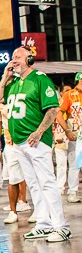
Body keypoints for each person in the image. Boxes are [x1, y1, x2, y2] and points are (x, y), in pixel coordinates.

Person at [0, 46, 70, 242]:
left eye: (18, 57)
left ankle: (61, 226)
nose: (13, 60)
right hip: (19, 142)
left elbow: (52, 109)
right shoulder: (14, 83)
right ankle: (43, 223)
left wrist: (39, 131)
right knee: (34, 184)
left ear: (30, 59)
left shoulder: (40, 79)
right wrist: (4, 77)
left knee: (47, 182)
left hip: (36, 141)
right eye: (12, 57)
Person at [0, 103, 33, 224]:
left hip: (28, 141)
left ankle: (35, 209)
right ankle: (13, 211)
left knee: (33, 178)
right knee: (13, 178)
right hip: (10, 143)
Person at [55, 72, 82, 203]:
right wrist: (66, 130)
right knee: (74, 164)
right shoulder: (69, 95)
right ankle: (72, 191)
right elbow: (59, 113)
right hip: (76, 135)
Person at [53, 84, 72, 194]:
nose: (68, 92)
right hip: (60, 134)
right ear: (61, 92)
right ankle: (60, 186)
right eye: (66, 90)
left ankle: (72, 188)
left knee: (74, 164)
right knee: (61, 164)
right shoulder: (56, 104)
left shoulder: (74, 102)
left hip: (73, 134)